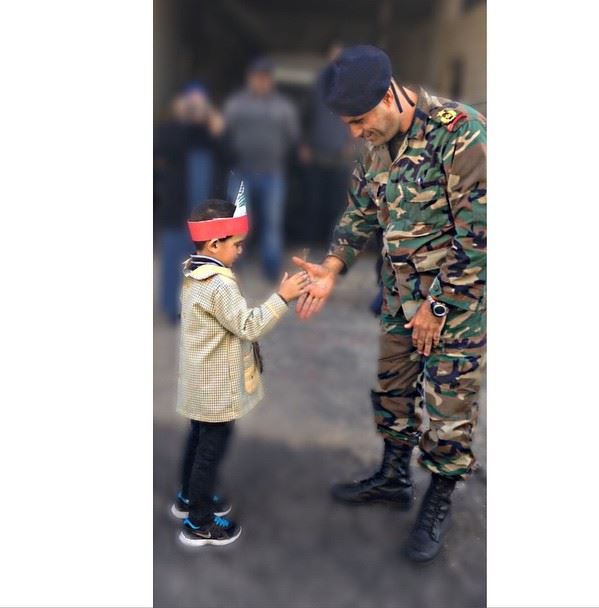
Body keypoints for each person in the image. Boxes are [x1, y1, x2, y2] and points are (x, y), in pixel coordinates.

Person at [293, 45, 486, 563]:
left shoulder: (459, 131)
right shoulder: (377, 145)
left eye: (359, 120)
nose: (354, 133)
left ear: (389, 95)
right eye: (348, 124)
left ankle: (440, 497)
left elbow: (481, 236)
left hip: (455, 307)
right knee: (394, 391)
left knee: (449, 407)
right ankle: (394, 477)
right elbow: (361, 213)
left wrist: (438, 307)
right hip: (400, 298)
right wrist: (333, 268)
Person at [172, 186, 309, 547]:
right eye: (236, 244)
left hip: (199, 382)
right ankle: (199, 523)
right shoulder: (219, 285)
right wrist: (282, 298)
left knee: (199, 439)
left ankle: (189, 497)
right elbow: (249, 325)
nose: (241, 250)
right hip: (215, 388)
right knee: (210, 449)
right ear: (214, 245)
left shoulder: (194, 270)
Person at [154, 82, 227, 322]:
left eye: (200, 105)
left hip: (205, 217)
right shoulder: (172, 131)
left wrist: (217, 127)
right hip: (177, 211)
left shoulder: (211, 135)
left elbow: (230, 157)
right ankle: (170, 309)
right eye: (191, 104)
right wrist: (181, 119)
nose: (196, 110)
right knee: (172, 263)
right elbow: (162, 147)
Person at [223, 57, 300, 281]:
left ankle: (270, 269)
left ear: (270, 80)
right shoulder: (236, 104)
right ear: (249, 79)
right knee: (239, 223)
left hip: (272, 173)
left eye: (265, 78)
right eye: (257, 77)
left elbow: (292, 136)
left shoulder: (283, 107)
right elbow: (224, 131)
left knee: (272, 223)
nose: (261, 82)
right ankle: (233, 263)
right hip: (241, 172)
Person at [298, 41, 354, 246]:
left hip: (339, 157)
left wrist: (350, 142)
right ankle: (309, 244)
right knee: (313, 203)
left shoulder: (351, 87)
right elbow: (304, 117)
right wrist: (303, 144)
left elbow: (357, 117)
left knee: (336, 205)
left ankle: (330, 246)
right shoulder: (317, 86)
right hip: (316, 155)